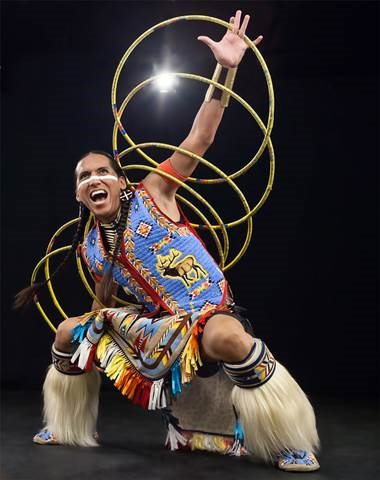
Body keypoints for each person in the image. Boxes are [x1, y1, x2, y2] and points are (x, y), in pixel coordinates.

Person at [15, 11, 320, 472]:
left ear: (120, 180)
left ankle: (285, 440)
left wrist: (227, 68)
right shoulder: (90, 248)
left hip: (206, 312)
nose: (94, 179)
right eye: (84, 177)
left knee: (230, 339)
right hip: (155, 327)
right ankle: (66, 424)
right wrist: (92, 325)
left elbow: (202, 135)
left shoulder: (156, 189)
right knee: (66, 331)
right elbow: (104, 303)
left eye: (101, 172)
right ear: (78, 193)